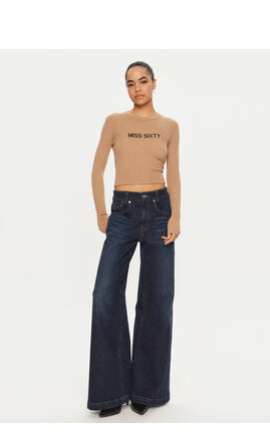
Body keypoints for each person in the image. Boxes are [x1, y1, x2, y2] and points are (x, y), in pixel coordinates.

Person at [87, 61, 181, 417]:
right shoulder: (114, 122)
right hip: (123, 211)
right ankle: (110, 393)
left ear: (154, 84)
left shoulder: (169, 126)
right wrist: (102, 214)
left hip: (159, 209)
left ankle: (147, 391)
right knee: (104, 295)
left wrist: (175, 216)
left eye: (143, 81)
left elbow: (174, 173)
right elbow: (97, 168)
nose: (137, 88)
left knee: (157, 299)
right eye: (130, 83)